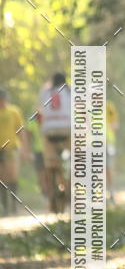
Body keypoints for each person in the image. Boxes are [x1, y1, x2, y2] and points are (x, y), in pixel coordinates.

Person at [38, 72, 71, 204]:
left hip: (49, 131)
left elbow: (40, 112)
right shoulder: (70, 91)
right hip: (66, 130)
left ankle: (51, 189)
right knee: (72, 160)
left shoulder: (45, 92)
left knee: (50, 162)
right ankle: (69, 186)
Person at [0, 89, 28, 216]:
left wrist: (24, 148)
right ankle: (5, 207)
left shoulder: (13, 111)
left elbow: (20, 129)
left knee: (12, 176)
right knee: (2, 178)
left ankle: (14, 205)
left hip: (10, 148)